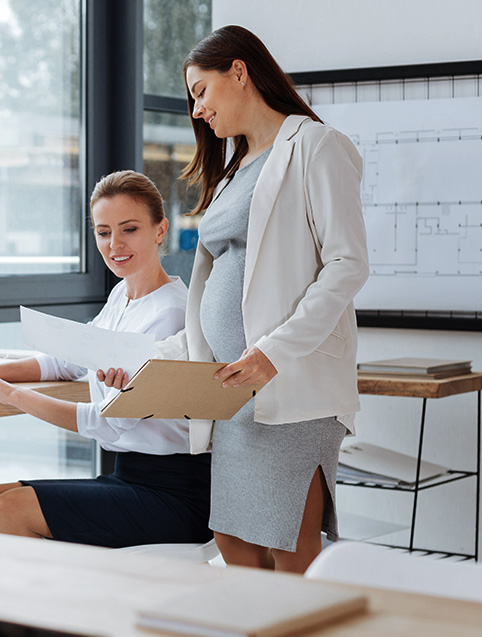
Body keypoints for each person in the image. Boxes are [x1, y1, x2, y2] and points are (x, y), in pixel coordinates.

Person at [159, 25, 369, 573]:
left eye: (200, 91)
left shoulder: (317, 147)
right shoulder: (236, 168)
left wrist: (271, 352)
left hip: (288, 388)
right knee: (234, 542)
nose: (197, 109)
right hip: (233, 394)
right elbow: (219, 282)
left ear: (239, 71)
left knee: (291, 552)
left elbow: (347, 265)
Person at [0, 171, 212, 548]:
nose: (114, 244)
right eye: (104, 232)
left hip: (173, 492)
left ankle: (35, 606)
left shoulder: (169, 313)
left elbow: (108, 425)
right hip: (129, 477)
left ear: (160, 230)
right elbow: (66, 362)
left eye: (129, 229)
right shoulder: (121, 297)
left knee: (11, 508)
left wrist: (8, 392)